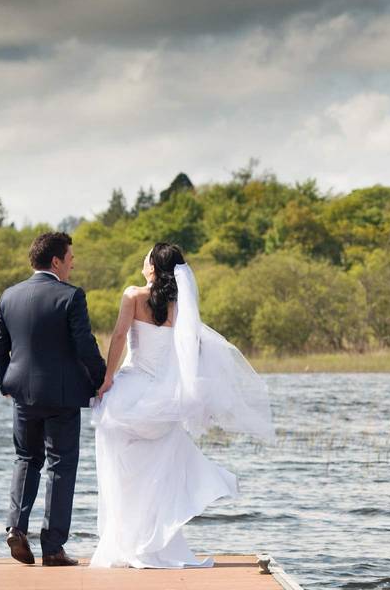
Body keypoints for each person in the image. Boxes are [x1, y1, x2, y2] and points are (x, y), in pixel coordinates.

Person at [89, 242, 274, 568]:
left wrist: (107, 379)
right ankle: (149, 541)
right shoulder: (179, 308)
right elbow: (193, 350)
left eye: (147, 256)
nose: (143, 259)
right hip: (165, 399)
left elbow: (118, 338)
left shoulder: (132, 296)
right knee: (156, 478)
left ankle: (123, 540)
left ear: (153, 267)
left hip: (132, 394)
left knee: (123, 472)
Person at [0, 231, 106, 567]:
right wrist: (101, 381)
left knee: (26, 459)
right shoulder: (71, 297)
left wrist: (5, 384)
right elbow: (85, 346)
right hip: (62, 396)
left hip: (22, 395)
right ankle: (53, 548)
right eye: (70, 258)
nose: (73, 264)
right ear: (55, 261)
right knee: (60, 465)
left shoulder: (9, 296)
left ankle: (16, 527)